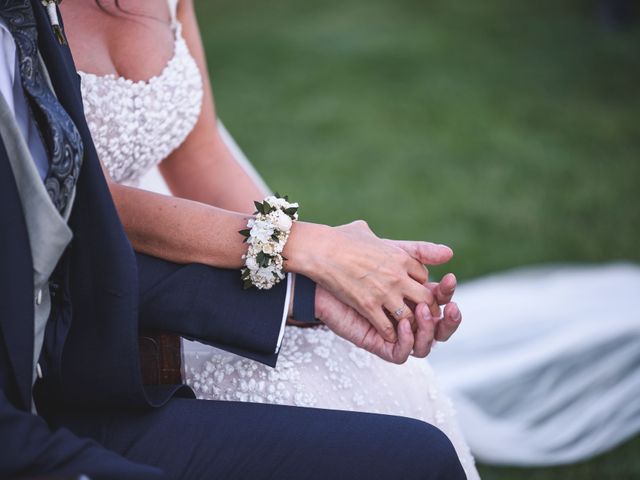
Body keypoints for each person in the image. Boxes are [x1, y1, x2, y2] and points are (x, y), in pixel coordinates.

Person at [0, 1, 468, 478]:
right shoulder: (28, 17)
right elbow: (84, 200)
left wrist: (313, 274)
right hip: (102, 287)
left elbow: (200, 157)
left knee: (369, 365)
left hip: (197, 256)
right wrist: (298, 245)